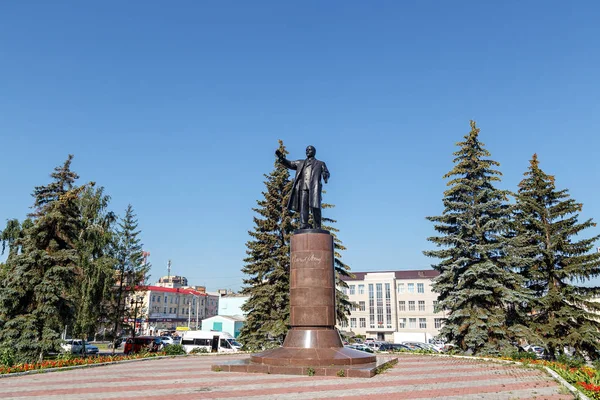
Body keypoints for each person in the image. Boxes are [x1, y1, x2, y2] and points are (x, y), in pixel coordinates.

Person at [276, 145, 330, 229]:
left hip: (314, 188)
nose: (307, 151)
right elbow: (290, 163)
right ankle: (303, 224)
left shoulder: (320, 163)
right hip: (303, 188)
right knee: (303, 207)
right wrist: (282, 158)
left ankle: (317, 226)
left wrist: (325, 175)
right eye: (306, 150)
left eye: (309, 150)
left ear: (314, 152)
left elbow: (326, 172)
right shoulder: (300, 163)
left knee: (315, 207)